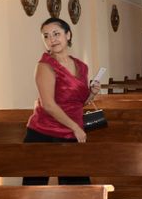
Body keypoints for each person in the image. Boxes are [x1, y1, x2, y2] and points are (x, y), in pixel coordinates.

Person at [23, 17, 101, 185]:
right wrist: (75, 128)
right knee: (33, 191)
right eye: (46, 36)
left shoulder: (81, 66)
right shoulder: (45, 66)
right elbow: (48, 105)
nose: (52, 39)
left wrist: (92, 94)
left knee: (78, 189)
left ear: (68, 35)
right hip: (44, 133)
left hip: (71, 133)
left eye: (56, 34)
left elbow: (78, 102)